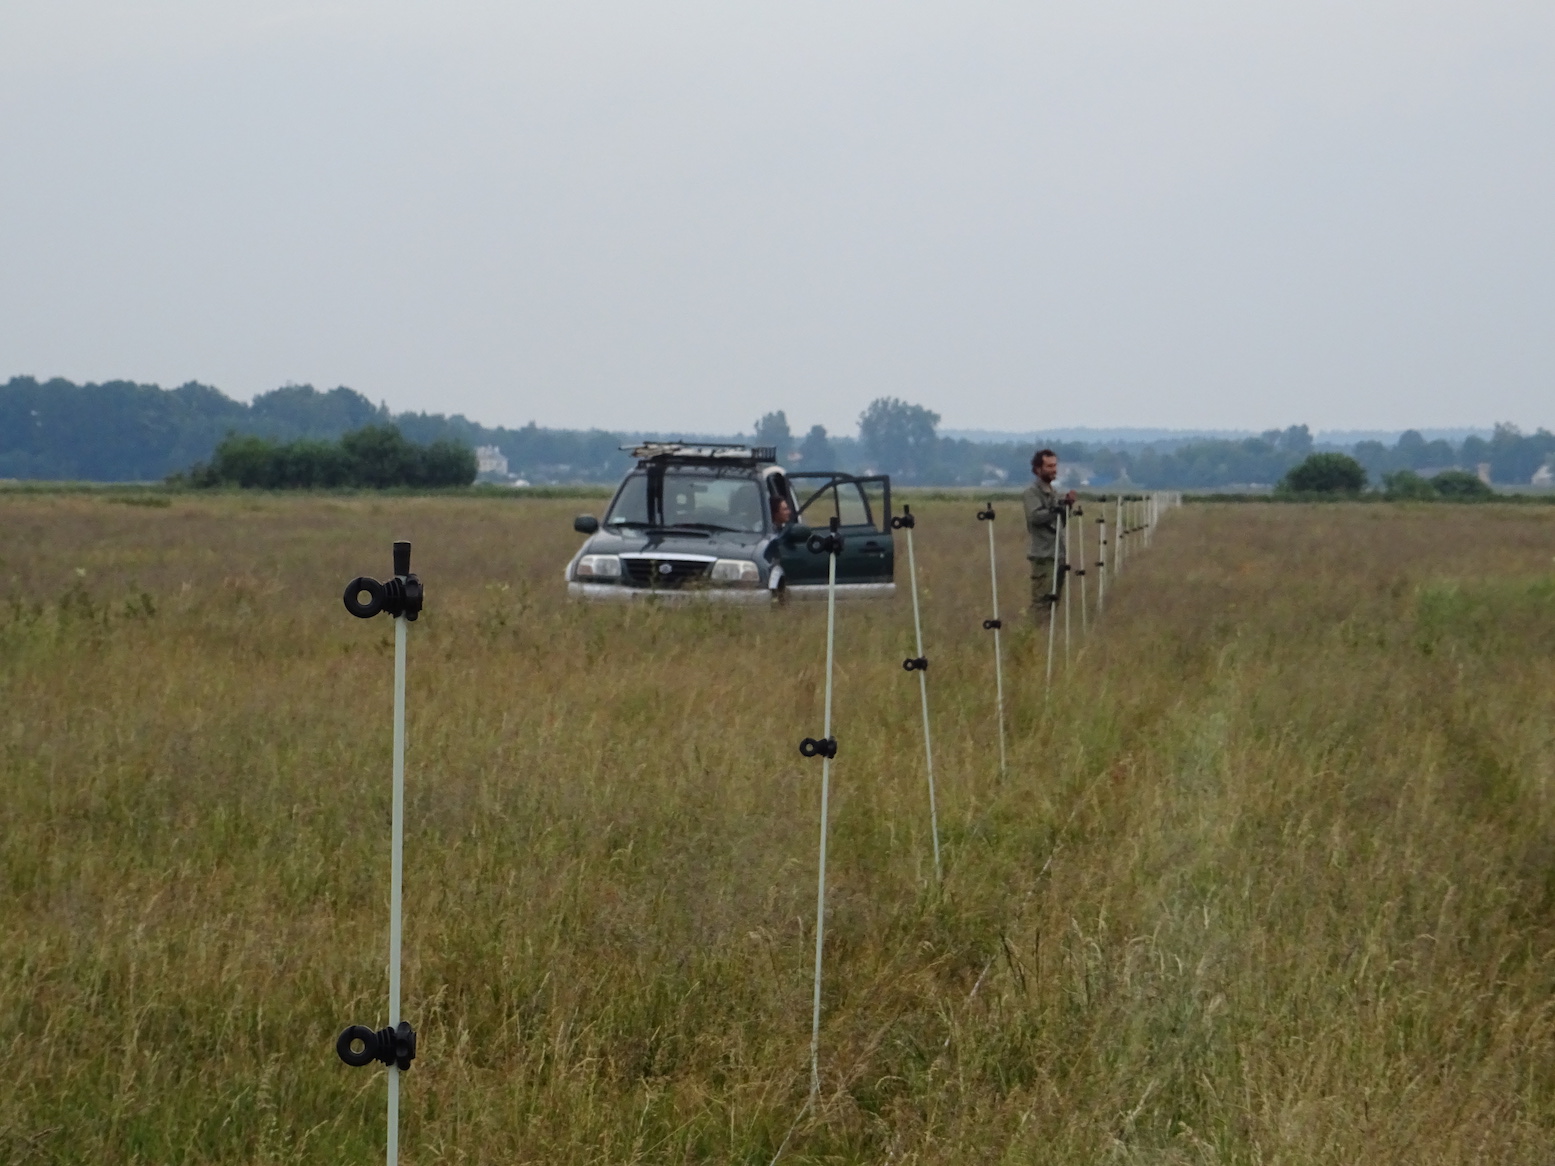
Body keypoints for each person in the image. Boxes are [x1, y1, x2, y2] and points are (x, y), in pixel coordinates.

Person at [1023, 448, 1076, 619]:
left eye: (1055, 465)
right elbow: (1035, 517)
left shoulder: (1053, 492)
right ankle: (1033, 632)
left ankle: (1046, 632)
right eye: (1049, 466)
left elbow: (1061, 523)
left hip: (1058, 554)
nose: (1054, 470)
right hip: (1043, 555)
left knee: (1053, 602)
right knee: (1041, 602)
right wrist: (1055, 509)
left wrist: (1067, 506)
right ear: (1038, 469)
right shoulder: (1031, 492)